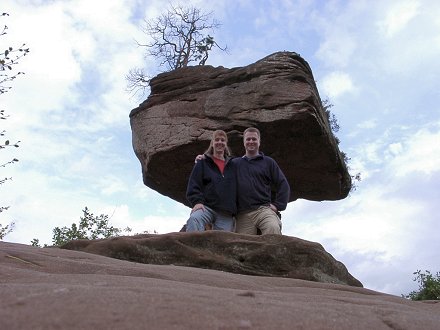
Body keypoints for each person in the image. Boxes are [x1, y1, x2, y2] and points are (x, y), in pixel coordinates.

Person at [233, 127, 290, 235]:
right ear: (244, 142)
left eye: (254, 139)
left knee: (273, 228)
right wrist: (204, 158)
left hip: (263, 210)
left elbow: (283, 184)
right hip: (243, 213)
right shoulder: (235, 163)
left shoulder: (268, 162)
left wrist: (278, 205)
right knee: (242, 243)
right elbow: (218, 167)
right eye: (248, 139)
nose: (251, 141)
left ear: (259, 142)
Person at [185, 130, 237, 232]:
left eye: (222, 140)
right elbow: (194, 183)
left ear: (226, 144)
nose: (220, 142)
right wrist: (197, 202)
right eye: (217, 140)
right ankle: (194, 247)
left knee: (223, 243)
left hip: (226, 212)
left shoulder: (233, 165)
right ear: (212, 143)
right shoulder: (203, 162)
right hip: (206, 208)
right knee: (194, 219)